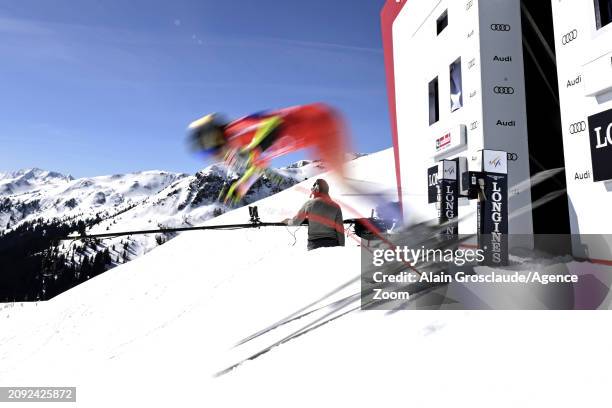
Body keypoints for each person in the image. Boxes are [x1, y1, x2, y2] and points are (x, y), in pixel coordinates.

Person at [187, 103, 347, 204]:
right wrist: (241, 187)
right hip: (317, 135)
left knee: (343, 184)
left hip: (320, 121)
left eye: (209, 148)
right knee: (342, 183)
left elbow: (274, 123)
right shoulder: (237, 145)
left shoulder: (235, 131)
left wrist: (255, 148)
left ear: (212, 137)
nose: (214, 156)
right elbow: (259, 165)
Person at [283, 179, 345, 251]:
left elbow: (295, 222)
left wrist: (287, 221)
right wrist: (341, 248)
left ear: (316, 189)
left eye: (313, 189)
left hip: (314, 246)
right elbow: (340, 230)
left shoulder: (309, 204)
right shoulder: (336, 206)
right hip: (333, 246)